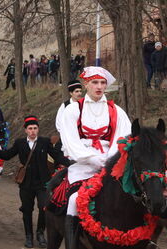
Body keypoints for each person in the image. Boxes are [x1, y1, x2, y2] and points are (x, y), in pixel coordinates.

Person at [59, 66, 131, 249]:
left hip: (110, 163)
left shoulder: (117, 111)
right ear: (86, 84)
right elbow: (70, 140)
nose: (99, 87)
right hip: (83, 164)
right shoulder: (73, 109)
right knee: (75, 199)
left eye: (102, 83)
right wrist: (92, 158)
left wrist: (111, 160)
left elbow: (123, 137)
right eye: (94, 82)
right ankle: (72, 244)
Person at [0, 116, 70, 248]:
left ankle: (40, 233)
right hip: (26, 183)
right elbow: (7, 155)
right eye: (30, 129)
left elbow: (57, 156)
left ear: (38, 129)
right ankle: (29, 236)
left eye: (35, 128)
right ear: (26, 130)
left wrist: (72, 164)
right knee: (27, 210)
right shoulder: (20, 143)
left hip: (43, 182)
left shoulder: (45, 142)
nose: (33, 131)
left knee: (43, 207)